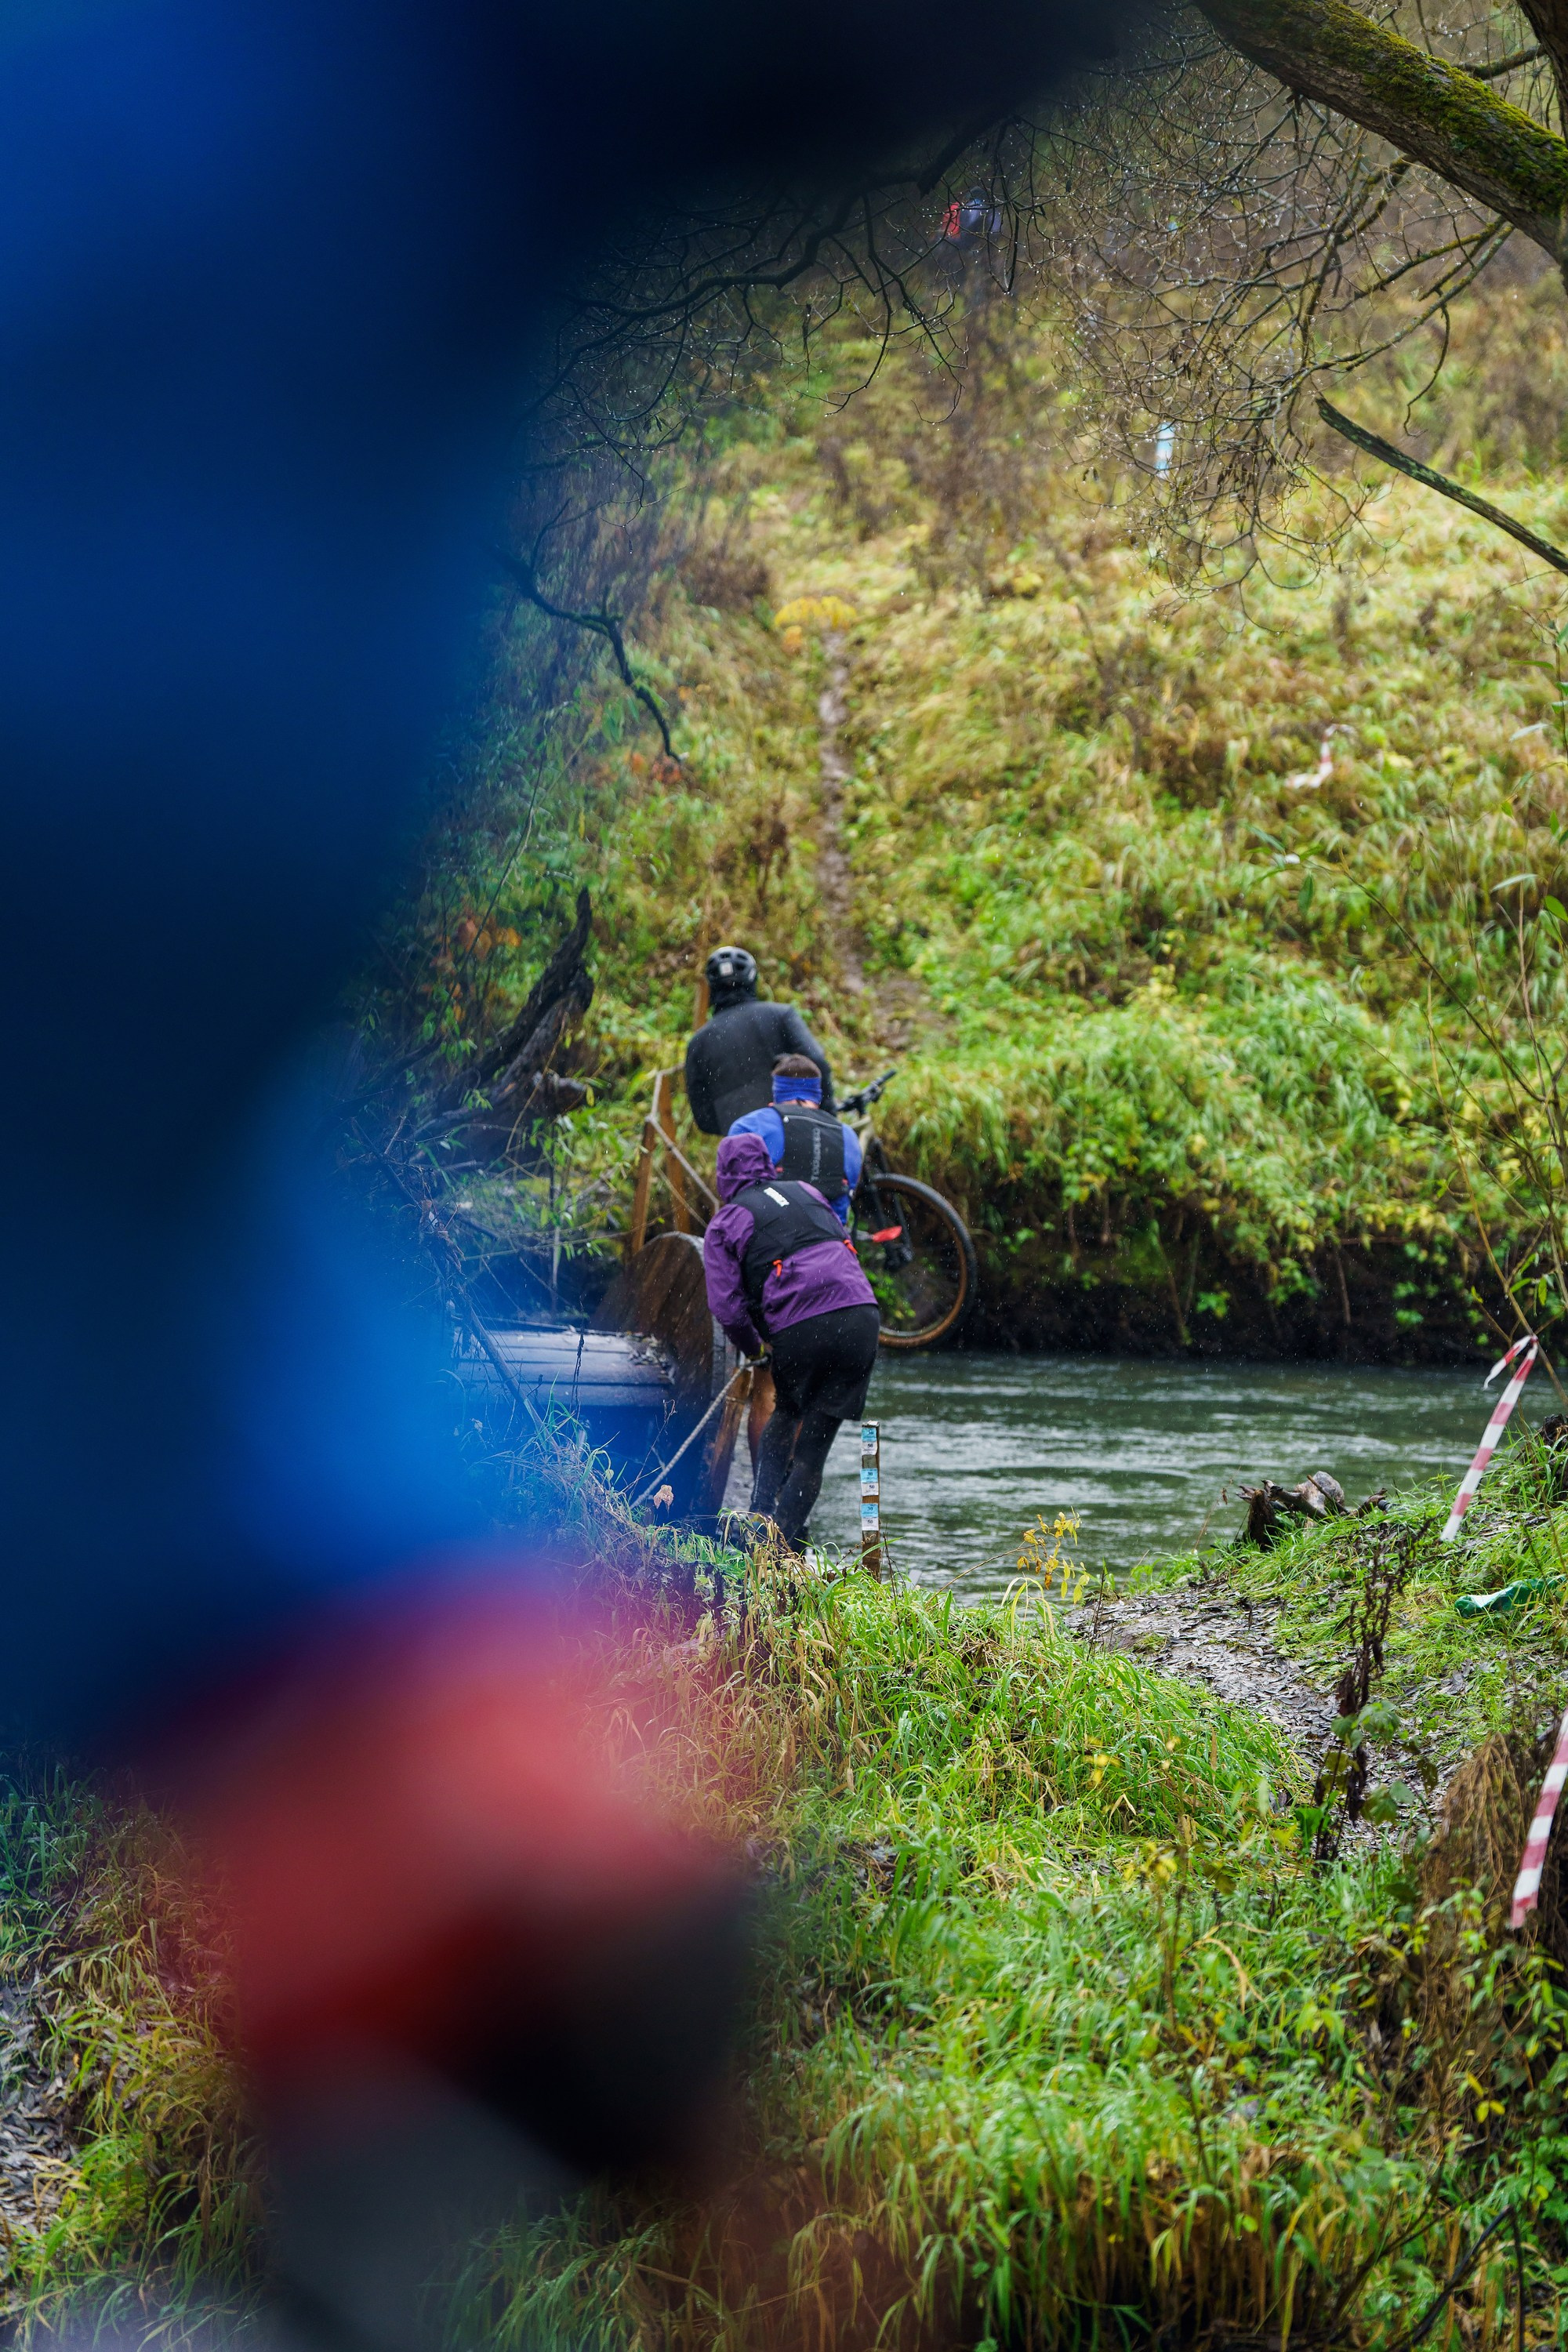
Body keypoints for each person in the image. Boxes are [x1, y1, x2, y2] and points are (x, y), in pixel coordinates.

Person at [704, 1130, 880, 1544]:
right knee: (813, 1451)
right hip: (861, 1316)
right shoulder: (806, 1190)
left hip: (801, 1324)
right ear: (768, 1165)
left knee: (786, 1414)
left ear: (723, 1175)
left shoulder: (726, 1222)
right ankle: (785, 1547)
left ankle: (759, 1531)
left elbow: (726, 1306)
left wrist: (756, 1349)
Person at [684, 946, 837, 1134]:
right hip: (796, 1134)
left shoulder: (698, 1043)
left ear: (712, 988)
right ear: (752, 979)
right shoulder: (781, 1015)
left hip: (742, 1149)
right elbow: (817, 1061)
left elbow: (703, 1116)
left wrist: (739, 1128)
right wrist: (827, 1116)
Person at [728, 1052, 862, 1225]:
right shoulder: (847, 1136)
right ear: (818, 1095)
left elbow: (735, 1193)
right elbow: (846, 1195)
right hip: (832, 1244)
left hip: (770, 1244)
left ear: (777, 1092)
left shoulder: (748, 1127)